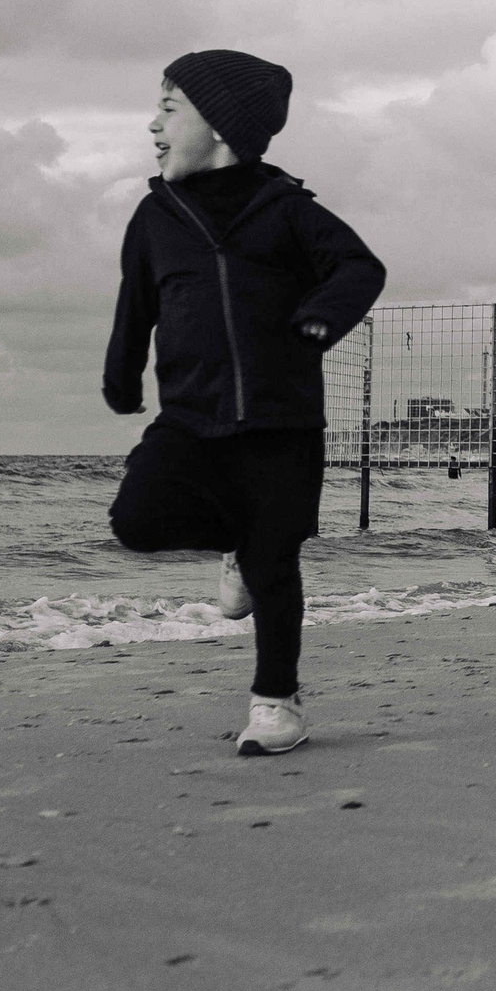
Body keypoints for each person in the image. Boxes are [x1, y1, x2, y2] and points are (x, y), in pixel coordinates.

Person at [103, 50, 386, 754]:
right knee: (136, 519)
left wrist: (322, 314)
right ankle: (229, 541)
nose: (152, 125)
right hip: (190, 417)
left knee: (273, 561)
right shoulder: (154, 216)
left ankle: (275, 703)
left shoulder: (286, 210)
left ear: (221, 127)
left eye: (168, 110)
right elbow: (136, 301)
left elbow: (360, 267)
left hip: (281, 420)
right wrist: (121, 371)